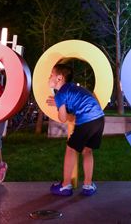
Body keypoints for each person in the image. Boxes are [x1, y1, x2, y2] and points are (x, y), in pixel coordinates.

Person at [45, 62, 105, 196]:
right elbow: (77, 101)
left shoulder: (60, 94)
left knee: (71, 149)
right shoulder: (73, 88)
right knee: (87, 150)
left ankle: (65, 185)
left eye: (51, 75)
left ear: (59, 78)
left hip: (86, 120)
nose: (48, 77)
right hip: (99, 118)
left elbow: (63, 118)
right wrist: (62, 103)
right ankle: (88, 185)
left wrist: (59, 105)